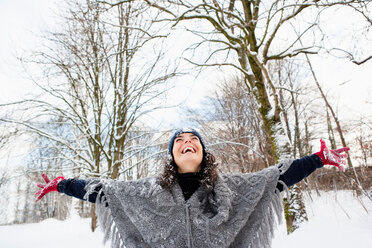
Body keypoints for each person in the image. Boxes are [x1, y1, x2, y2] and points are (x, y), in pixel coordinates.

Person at [35, 128, 349, 248]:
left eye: (194, 140)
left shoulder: (230, 189)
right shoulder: (148, 192)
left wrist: (318, 159)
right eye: (180, 141)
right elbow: (105, 190)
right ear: (173, 154)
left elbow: (272, 180)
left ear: (202, 151)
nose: (188, 143)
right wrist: (62, 184)